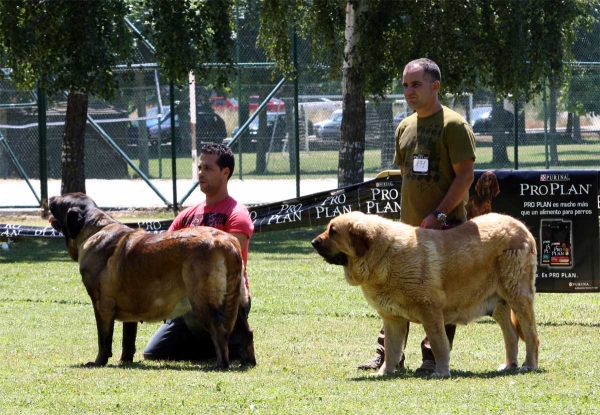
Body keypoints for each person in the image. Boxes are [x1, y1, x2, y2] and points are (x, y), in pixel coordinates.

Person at [358, 58, 476, 373]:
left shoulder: (454, 125)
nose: (409, 91)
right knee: (394, 290)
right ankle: (387, 356)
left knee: (436, 296)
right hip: (407, 232)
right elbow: (405, 173)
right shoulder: (405, 126)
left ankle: (433, 358)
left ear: (434, 86)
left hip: (446, 229)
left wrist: (439, 213)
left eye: (416, 84)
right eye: (405, 85)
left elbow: (465, 176)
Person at [143, 143, 254, 361]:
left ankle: (227, 340)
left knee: (210, 324)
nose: (201, 173)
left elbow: (228, 262)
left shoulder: (237, 214)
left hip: (223, 300)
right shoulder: (186, 216)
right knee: (154, 353)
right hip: (186, 300)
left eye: (208, 168)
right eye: (200, 167)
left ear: (225, 172)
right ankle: (219, 346)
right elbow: (162, 253)